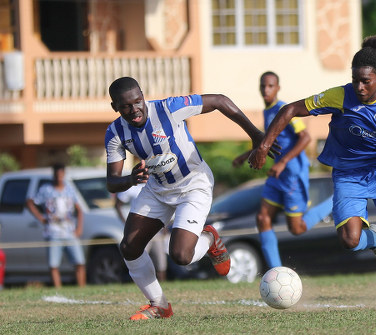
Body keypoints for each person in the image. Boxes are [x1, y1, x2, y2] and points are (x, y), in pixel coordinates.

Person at [248, 36, 376, 306]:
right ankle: (374, 239)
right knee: (349, 240)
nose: (358, 86)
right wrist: (264, 146)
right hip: (348, 175)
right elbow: (289, 110)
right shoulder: (340, 96)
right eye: (355, 79)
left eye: (365, 81)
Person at [105, 76, 278, 320]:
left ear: (143, 96)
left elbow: (219, 100)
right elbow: (112, 182)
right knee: (129, 247)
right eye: (126, 106)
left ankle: (209, 238)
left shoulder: (168, 108)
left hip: (194, 184)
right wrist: (130, 180)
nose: (135, 109)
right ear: (115, 107)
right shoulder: (114, 132)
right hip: (158, 189)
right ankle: (159, 305)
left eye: (138, 101)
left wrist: (256, 135)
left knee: (181, 256)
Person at [233, 71, 332, 268]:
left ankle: (334, 203)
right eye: (263, 86)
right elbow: (268, 142)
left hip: (292, 174)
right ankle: (275, 271)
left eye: (270, 86)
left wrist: (283, 162)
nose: (266, 90)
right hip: (278, 175)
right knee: (262, 218)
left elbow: (305, 138)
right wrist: (246, 156)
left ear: (278, 88)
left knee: (296, 228)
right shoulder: (267, 111)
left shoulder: (284, 109)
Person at [26, 163, 86, 288]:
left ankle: (82, 288)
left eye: (61, 174)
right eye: (56, 174)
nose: (59, 177)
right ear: (53, 175)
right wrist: (41, 218)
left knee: (79, 261)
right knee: (54, 264)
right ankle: (58, 289)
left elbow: (79, 209)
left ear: (64, 174)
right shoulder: (46, 189)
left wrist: (79, 228)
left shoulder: (69, 188)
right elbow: (30, 202)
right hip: (53, 231)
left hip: (69, 230)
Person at [114, 183, 167, 281]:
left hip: (156, 229)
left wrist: (165, 224)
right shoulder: (132, 187)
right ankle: (140, 287)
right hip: (140, 230)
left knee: (161, 263)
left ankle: (162, 289)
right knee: (138, 261)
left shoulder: (156, 182)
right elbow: (117, 204)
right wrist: (126, 223)